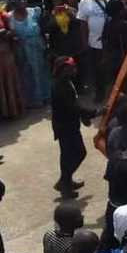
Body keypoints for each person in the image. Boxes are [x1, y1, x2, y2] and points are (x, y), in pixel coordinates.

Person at [51, 56, 96, 198]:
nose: (74, 70)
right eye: (71, 68)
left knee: (67, 155)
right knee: (78, 153)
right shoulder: (60, 87)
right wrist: (94, 113)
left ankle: (67, 181)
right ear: (63, 70)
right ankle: (64, 183)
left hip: (68, 124)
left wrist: (84, 117)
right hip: (65, 127)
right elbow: (73, 107)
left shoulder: (66, 82)